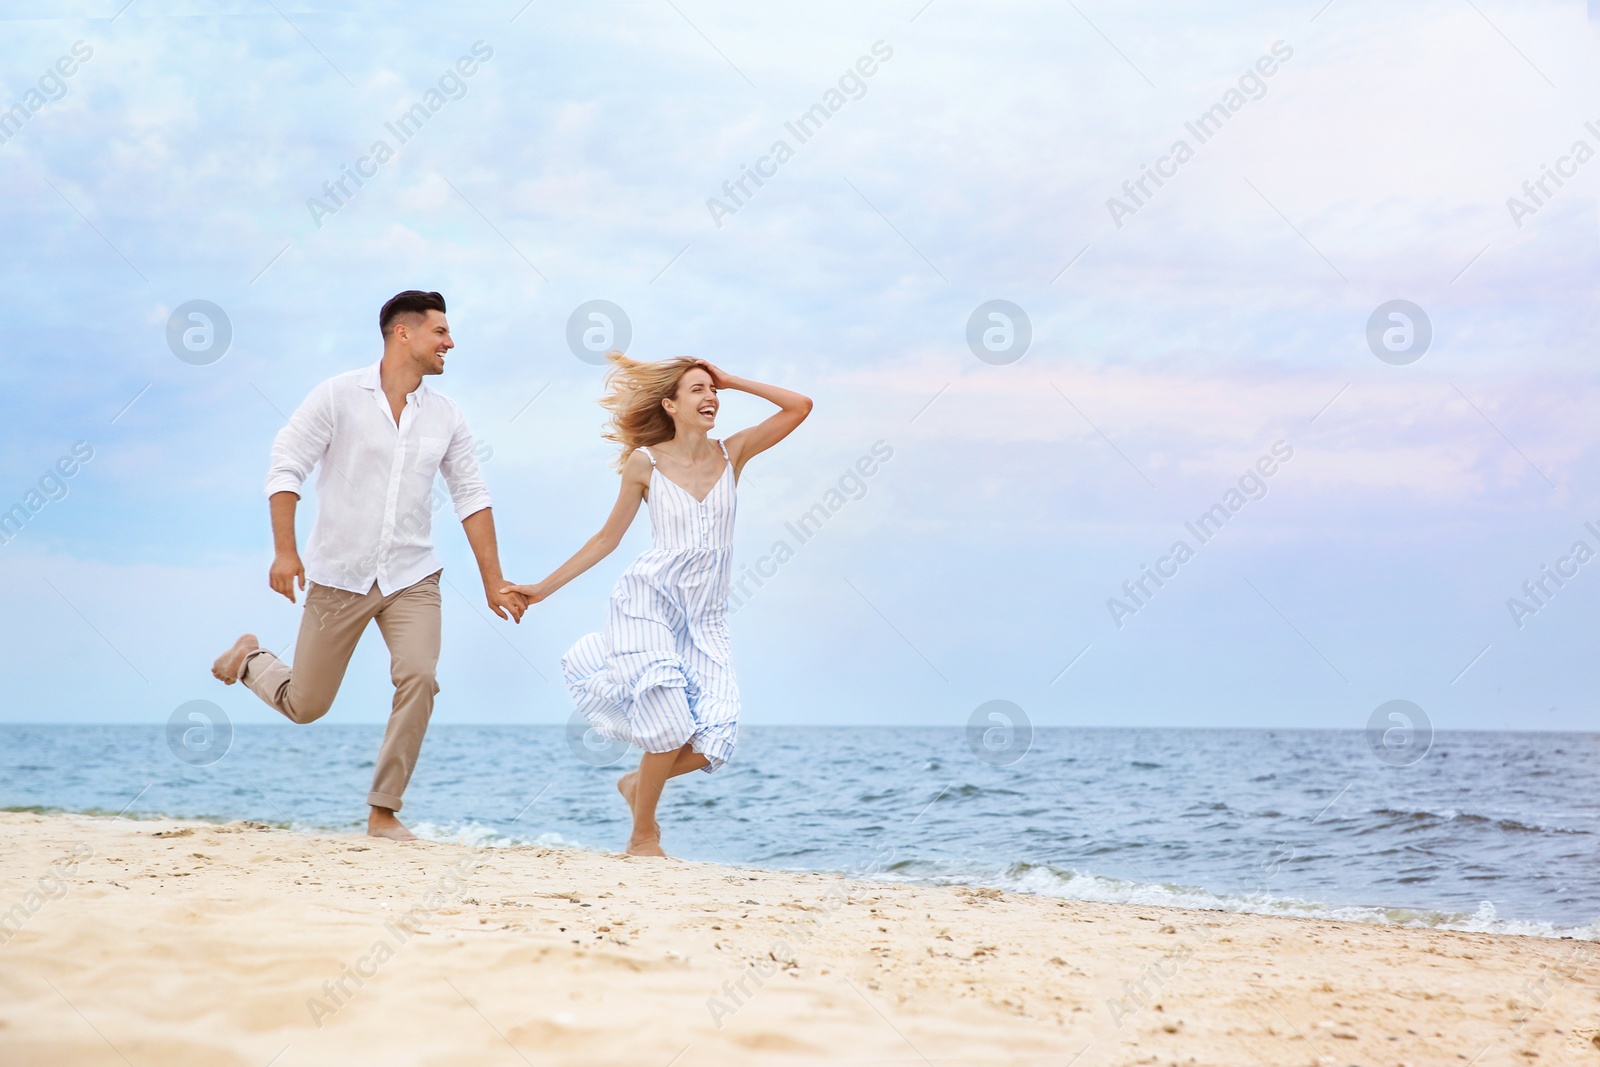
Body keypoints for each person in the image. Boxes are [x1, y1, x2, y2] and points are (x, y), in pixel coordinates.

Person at [210, 290, 526, 841]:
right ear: (403, 333)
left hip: (412, 577)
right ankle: (250, 658)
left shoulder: (447, 415)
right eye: (441, 332)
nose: (450, 342)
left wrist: (493, 581)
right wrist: (286, 551)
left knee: (420, 677)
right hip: (339, 576)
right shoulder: (337, 396)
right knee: (306, 705)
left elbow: (472, 495)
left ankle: (383, 812)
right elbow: (286, 468)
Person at [502, 353, 810, 856]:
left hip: (705, 617)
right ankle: (643, 836)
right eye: (697, 389)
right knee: (667, 717)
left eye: (712, 390)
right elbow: (607, 539)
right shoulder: (644, 462)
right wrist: (540, 589)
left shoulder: (734, 453)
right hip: (648, 603)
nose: (709, 397)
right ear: (670, 404)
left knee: (715, 736)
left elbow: (799, 406)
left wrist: (731, 379)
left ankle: (635, 785)